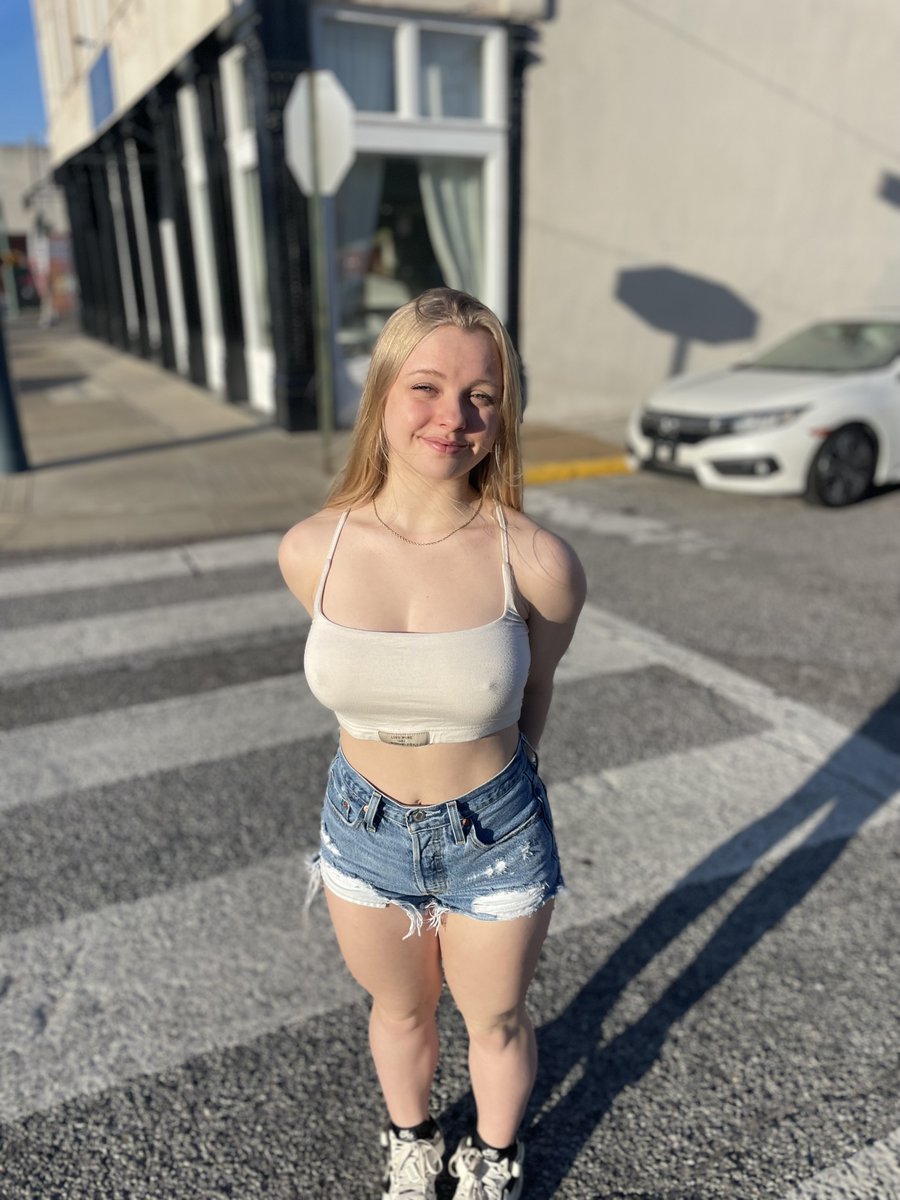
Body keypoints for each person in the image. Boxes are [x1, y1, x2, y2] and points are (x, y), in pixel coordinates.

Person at [279, 288, 585, 1200]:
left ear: (504, 413)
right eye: (426, 387)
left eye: (481, 396)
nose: (453, 418)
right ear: (380, 391)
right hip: (361, 827)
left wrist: (496, 788)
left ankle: (493, 1158)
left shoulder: (537, 562)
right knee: (399, 1008)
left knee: (495, 1020)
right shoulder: (311, 550)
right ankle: (411, 1142)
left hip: (496, 832)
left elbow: (535, 689)